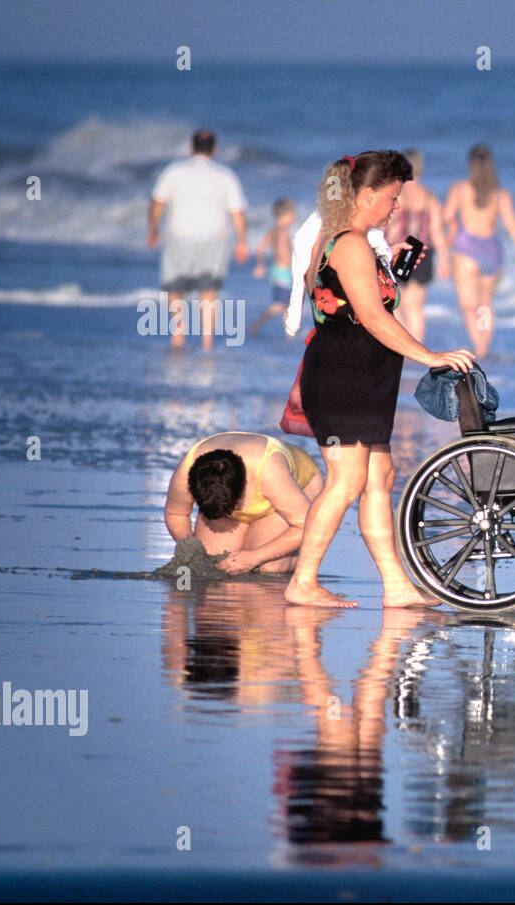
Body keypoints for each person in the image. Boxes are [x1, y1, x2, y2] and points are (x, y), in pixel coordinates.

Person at [286, 150, 475, 609]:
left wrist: (399, 267)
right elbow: (371, 317)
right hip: (342, 376)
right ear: (366, 194)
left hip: (365, 377)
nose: (395, 208)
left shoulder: (363, 242)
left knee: (380, 477)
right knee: (346, 481)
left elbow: (376, 300)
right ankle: (302, 582)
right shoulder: (348, 243)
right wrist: (430, 355)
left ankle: (396, 586)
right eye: (391, 198)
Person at [163, 432, 323, 574]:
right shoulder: (188, 469)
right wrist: (191, 548)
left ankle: (298, 561)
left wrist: (256, 556)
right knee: (213, 563)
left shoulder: (270, 473)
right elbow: (176, 513)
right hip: (233, 488)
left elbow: (307, 525)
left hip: (290, 497)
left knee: (268, 567)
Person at [148, 129, 249, 350]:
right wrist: (242, 241)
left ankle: (178, 335)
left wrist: (153, 229)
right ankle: (207, 342)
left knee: (175, 289)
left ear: (191, 148)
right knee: (209, 292)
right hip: (214, 238)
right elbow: (237, 212)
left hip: (179, 236)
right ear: (214, 149)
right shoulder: (225, 175)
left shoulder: (174, 171)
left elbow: (157, 203)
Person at [443, 144, 515, 357]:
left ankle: (478, 346)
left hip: (466, 248)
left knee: (468, 306)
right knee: (485, 304)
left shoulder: (460, 189)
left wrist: (441, 240)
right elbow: (512, 225)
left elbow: (446, 217)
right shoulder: (500, 194)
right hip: (492, 250)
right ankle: (484, 345)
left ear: (471, 165)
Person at [384, 149, 447, 343]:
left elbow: (388, 224)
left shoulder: (397, 193)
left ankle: (405, 344)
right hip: (422, 251)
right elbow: (437, 232)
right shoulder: (429, 197)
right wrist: (444, 260)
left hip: (399, 248)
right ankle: (415, 346)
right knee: (415, 306)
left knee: (395, 303)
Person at [250, 198, 297, 336]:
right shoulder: (280, 231)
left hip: (282, 271)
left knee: (286, 305)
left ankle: (289, 332)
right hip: (281, 271)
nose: (293, 219)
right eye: (292, 216)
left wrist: (261, 264)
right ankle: (257, 324)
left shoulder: (276, 231)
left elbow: (261, 249)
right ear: (284, 216)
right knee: (279, 305)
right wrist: (260, 264)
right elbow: (262, 249)